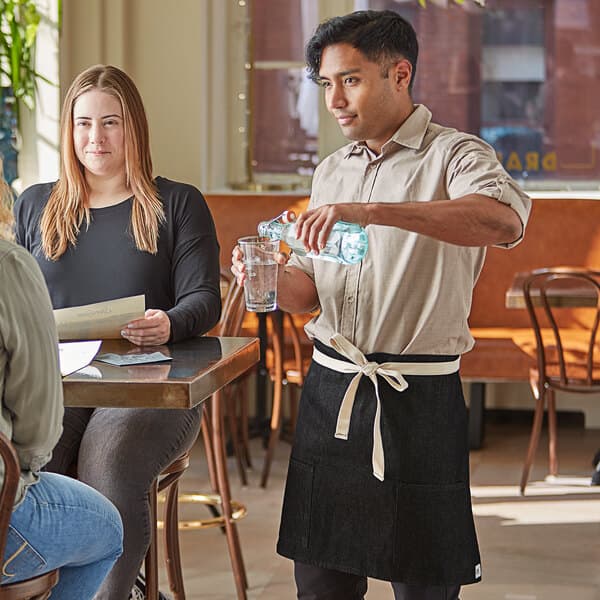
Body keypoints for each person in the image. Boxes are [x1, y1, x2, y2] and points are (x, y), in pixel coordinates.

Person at [232, 10, 531, 600]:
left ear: (400, 74)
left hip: (418, 395)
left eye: (351, 80)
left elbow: (501, 220)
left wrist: (370, 213)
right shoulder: (329, 172)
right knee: (320, 581)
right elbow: (310, 291)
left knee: (424, 582)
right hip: (331, 389)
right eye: (325, 85)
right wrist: (265, 278)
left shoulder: (456, 156)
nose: (336, 101)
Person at [14, 64, 221, 599]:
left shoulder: (177, 203)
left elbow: (204, 300)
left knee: (109, 456)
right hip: (60, 384)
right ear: (69, 131)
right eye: (83, 124)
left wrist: (168, 322)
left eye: (111, 122)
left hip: (149, 387)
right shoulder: (36, 204)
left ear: (135, 128)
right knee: (30, 460)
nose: (95, 138)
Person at [0, 162, 123, 598]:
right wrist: (27, 472)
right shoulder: (10, 265)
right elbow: (37, 427)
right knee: (108, 529)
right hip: (3, 523)